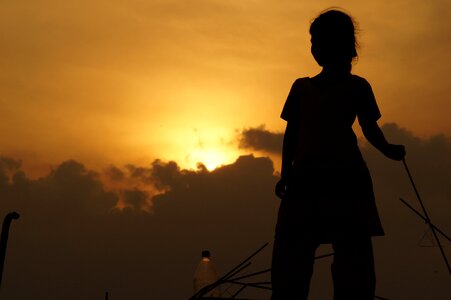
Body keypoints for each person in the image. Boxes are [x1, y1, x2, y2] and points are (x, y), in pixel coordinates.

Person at [271, 9, 406, 300]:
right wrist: (286, 173)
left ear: (344, 47)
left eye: (320, 41)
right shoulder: (301, 87)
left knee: (352, 255)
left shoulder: (358, 87)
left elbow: (370, 130)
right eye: (313, 42)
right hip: (305, 179)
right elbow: (292, 134)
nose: (315, 48)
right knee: (292, 254)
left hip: (346, 179)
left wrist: (389, 150)